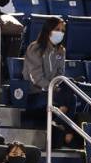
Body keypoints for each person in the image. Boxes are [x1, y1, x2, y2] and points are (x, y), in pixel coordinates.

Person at [23, 16, 78, 148]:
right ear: (48, 30)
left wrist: (56, 87)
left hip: (53, 93)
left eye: (63, 30)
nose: (60, 33)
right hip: (35, 94)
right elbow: (35, 77)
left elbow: (60, 74)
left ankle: (62, 124)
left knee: (72, 92)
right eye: (57, 29)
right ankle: (67, 130)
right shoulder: (35, 48)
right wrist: (52, 88)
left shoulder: (61, 50)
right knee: (68, 99)